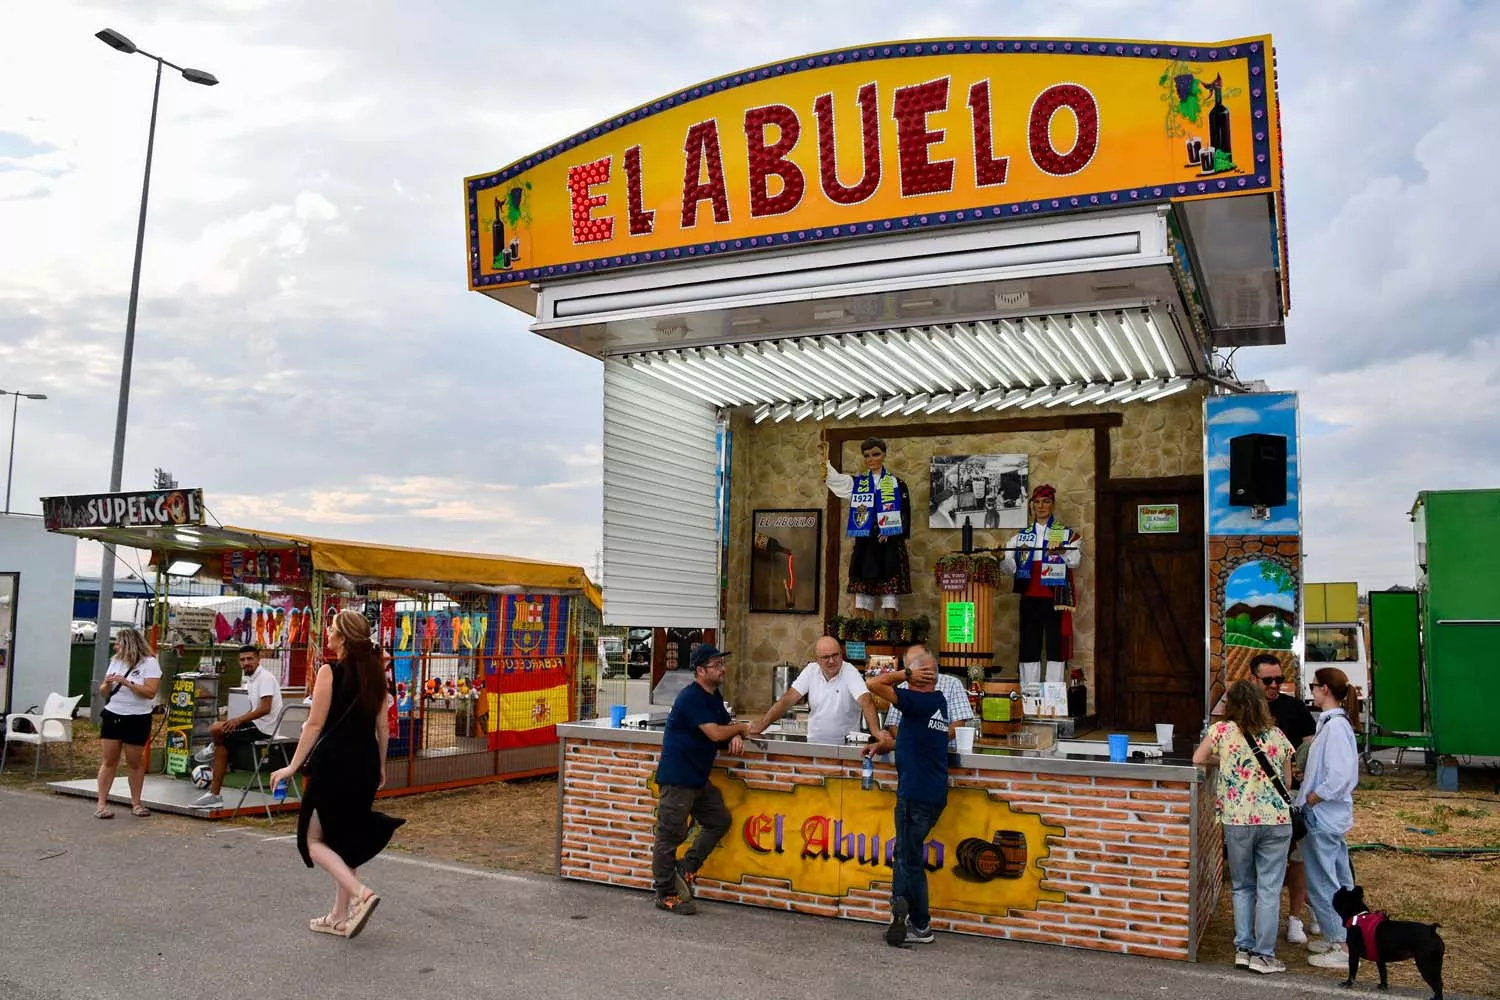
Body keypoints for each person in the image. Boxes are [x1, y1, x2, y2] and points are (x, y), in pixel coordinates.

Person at [270, 610, 405, 939]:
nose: (327, 635)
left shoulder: (329, 672)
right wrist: (382, 766)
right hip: (367, 763)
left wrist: (291, 766)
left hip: (334, 763)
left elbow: (314, 725)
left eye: (331, 630)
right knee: (346, 840)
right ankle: (339, 916)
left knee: (311, 839)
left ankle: (361, 894)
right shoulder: (376, 674)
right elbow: (382, 727)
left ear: (342, 639)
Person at [1192, 679, 1295, 974]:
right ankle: (1263, 954)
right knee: (1269, 889)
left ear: (1230, 705)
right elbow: (1287, 783)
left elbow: (1198, 758)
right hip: (1276, 821)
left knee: (1241, 886)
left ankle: (1243, 948)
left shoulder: (1221, 732)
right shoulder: (1277, 735)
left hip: (1237, 820)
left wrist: (1225, 761)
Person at [651, 644, 753, 915]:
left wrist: (734, 733)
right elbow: (713, 732)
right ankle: (665, 893)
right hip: (678, 779)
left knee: (719, 820)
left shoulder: (713, 697)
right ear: (700, 670)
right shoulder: (691, 697)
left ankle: (687, 867)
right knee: (668, 836)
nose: (723, 669)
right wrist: (740, 729)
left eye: (722, 664)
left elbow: (724, 726)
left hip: (697, 779)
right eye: (716, 665)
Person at [865, 646, 947, 947]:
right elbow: (911, 737)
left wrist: (902, 673)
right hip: (930, 792)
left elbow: (873, 684)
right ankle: (904, 915)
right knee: (907, 855)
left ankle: (915, 919)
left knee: (907, 859)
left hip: (915, 795)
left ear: (916, 676)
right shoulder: (937, 702)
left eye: (910, 672)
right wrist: (885, 745)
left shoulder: (918, 701)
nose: (905, 678)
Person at [1249, 652, 1319, 945]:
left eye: (1279, 679)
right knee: (1260, 864)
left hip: (1289, 797)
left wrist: (1305, 768)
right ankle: (1260, 922)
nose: (1275, 685)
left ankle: (1295, 919)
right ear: (1253, 679)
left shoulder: (1293, 708)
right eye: (1268, 680)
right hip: (1254, 800)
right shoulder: (1244, 710)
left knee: (1297, 860)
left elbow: (1310, 743)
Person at [1297, 667, 1360, 968]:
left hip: (1323, 814)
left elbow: (1340, 776)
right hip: (1329, 814)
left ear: (1324, 689)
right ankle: (1347, 936)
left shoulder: (1335, 727)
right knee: (1339, 878)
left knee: (1323, 880)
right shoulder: (1334, 724)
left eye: (1313, 686)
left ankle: (1340, 942)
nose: (1312, 691)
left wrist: (1313, 796)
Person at [997, 485, 1083, 686]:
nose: (1041, 506)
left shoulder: (1065, 534)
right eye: (1037, 502)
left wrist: (1062, 551)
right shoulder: (1020, 537)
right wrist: (1001, 558)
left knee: (1055, 646)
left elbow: (1075, 560)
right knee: (1029, 645)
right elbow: (1010, 568)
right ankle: (1029, 694)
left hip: (1055, 598)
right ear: (1032, 506)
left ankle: (1054, 695)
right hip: (1029, 597)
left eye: (1046, 501)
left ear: (1053, 504)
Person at [820, 437, 912, 619]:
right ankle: (865, 633)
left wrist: (891, 531)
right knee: (863, 594)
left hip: (889, 543)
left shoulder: (897, 483)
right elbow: (836, 481)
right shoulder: (858, 483)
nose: (871, 459)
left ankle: (890, 633)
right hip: (866, 543)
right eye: (867, 455)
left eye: (875, 454)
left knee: (889, 593)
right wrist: (825, 460)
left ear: (884, 455)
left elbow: (905, 513)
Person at [191, 644, 284, 809]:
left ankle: (214, 784)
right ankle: (214, 793)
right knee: (221, 740)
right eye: (242, 660)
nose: (246, 662)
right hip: (256, 725)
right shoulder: (251, 680)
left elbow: (265, 708)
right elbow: (254, 708)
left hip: (265, 729)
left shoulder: (265, 678)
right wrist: (235, 721)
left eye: (250, 659)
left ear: (258, 659)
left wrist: (238, 720)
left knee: (216, 730)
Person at [749, 636, 881, 745]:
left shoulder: (850, 671)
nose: (831, 661)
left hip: (845, 745)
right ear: (817, 660)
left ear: (841, 655)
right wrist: (762, 725)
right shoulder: (811, 670)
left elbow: (866, 700)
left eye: (835, 655)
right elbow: (788, 699)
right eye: (825, 657)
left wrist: (876, 732)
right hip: (814, 743)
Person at [94, 628, 161, 819]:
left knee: (134, 760)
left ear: (129, 644)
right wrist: (107, 684)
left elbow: (150, 692)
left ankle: (136, 803)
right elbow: (104, 692)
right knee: (109, 760)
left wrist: (127, 683)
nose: (115, 646)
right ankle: (101, 804)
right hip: (114, 713)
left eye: (118, 643)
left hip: (138, 716)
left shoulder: (150, 663)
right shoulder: (116, 661)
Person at [881, 660, 975, 740]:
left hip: (945, 753)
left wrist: (927, 745)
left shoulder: (951, 685)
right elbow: (893, 724)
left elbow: (958, 724)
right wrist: (908, 744)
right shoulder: (903, 687)